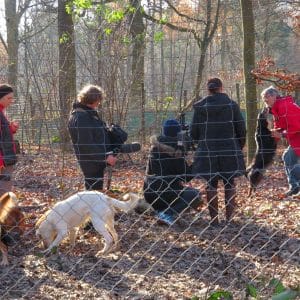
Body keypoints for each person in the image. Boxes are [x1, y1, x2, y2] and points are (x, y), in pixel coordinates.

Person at [190, 78, 246, 226]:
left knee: (211, 184)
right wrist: (238, 146)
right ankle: (229, 218)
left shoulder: (200, 107)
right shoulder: (231, 105)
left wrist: (200, 143)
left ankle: (214, 220)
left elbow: (193, 132)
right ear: (221, 87)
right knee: (229, 182)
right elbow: (241, 128)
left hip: (207, 150)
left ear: (208, 89)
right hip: (229, 148)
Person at [143, 119, 201, 226]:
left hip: (149, 193)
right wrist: (196, 162)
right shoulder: (176, 151)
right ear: (177, 133)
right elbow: (186, 177)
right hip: (166, 193)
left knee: (177, 191)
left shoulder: (155, 147)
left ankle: (160, 211)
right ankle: (166, 213)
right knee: (195, 195)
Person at [68, 84, 117, 191]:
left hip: (95, 160)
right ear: (92, 99)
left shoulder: (87, 114)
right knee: (93, 192)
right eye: (98, 100)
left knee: (95, 191)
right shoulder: (81, 117)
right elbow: (86, 144)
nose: (99, 103)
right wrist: (105, 157)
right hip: (90, 162)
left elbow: (96, 136)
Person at [261, 86, 300, 197]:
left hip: (297, 138)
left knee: (288, 158)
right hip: (295, 138)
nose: (264, 100)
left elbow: (297, 126)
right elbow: (280, 126)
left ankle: (295, 186)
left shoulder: (284, 106)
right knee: (288, 158)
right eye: (263, 98)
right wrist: (274, 136)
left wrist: (282, 134)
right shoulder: (276, 108)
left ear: (274, 96)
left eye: (266, 97)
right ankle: (295, 187)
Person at [0, 84, 19, 197]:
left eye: (12, 98)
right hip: (3, 160)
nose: (11, 101)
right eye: (9, 98)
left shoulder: (2, 111)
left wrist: (11, 129)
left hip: (6, 158)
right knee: (3, 192)